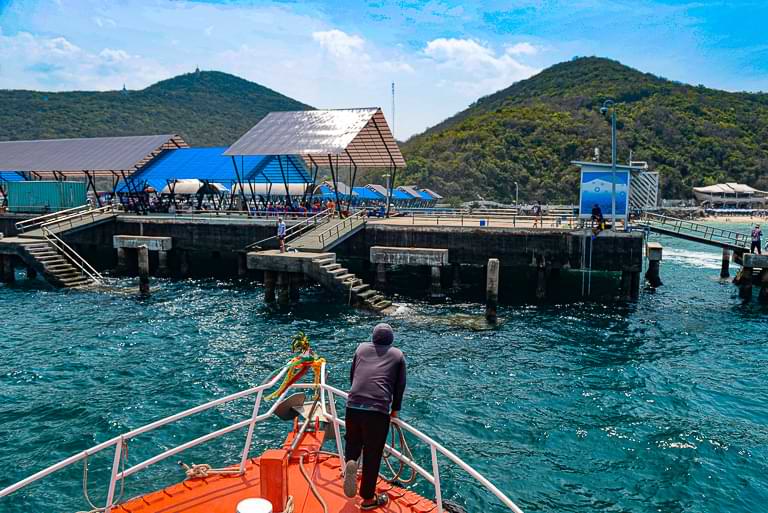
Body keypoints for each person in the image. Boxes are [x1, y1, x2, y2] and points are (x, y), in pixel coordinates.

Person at [343, 324, 406, 510]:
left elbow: (353, 375)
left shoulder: (361, 348)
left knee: (353, 442)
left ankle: (350, 461)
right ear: (391, 339)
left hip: (353, 405)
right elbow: (399, 386)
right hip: (377, 411)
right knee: (372, 453)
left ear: (373, 337)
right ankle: (368, 499)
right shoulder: (397, 355)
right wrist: (395, 410)